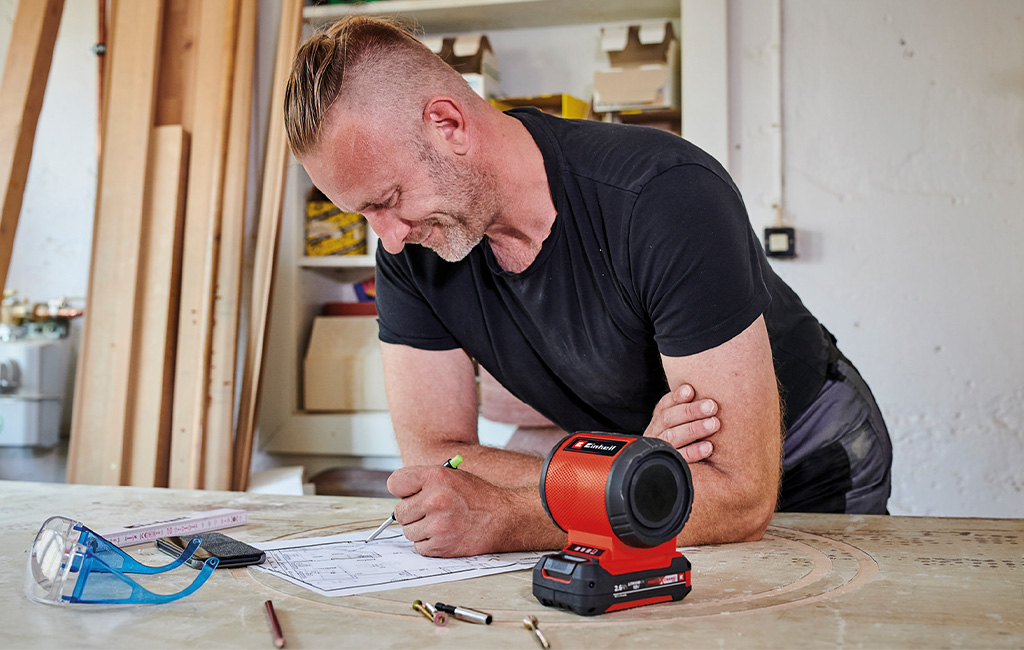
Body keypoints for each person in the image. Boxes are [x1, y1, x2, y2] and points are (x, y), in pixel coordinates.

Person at [284, 16, 892, 557]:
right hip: (644, 463)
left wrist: (515, 515)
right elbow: (438, 455)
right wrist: (624, 471)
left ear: (447, 123)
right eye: (363, 213)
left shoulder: (665, 195)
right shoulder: (409, 249)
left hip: (808, 455)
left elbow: (737, 497)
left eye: (388, 200)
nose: (386, 238)